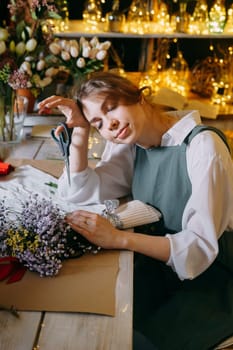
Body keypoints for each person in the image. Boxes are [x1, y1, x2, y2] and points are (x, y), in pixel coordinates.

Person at [39, 71, 233, 350]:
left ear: (137, 96)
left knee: (134, 340)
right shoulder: (133, 143)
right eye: (99, 123)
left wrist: (118, 239)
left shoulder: (203, 146)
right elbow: (80, 192)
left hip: (209, 279)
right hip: (159, 267)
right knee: (90, 319)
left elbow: (200, 246)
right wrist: (80, 132)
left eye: (111, 107)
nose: (111, 124)